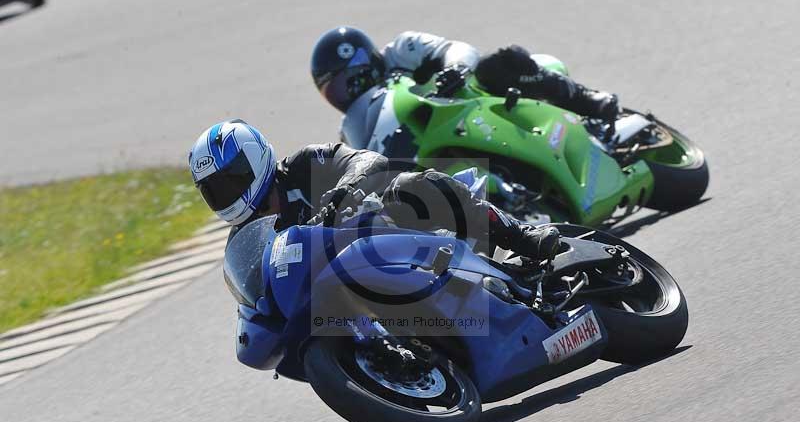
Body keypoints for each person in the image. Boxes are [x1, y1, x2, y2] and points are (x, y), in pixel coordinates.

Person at [187, 120, 559, 260]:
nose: (226, 195)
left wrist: (342, 192)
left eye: (231, 181)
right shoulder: (246, 239)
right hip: (350, 280)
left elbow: (364, 160)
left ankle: (520, 235)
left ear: (254, 160)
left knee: (412, 185)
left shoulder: (302, 166)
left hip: (391, 230)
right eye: (214, 190)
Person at [310, 26, 619, 121]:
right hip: (439, 139)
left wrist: (456, 68)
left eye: (355, 80)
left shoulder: (403, 49)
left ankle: (585, 98)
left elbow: (459, 49)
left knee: (496, 65)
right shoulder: (354, 125)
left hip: (477, 103)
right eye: (337, 91)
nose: (351, 93)